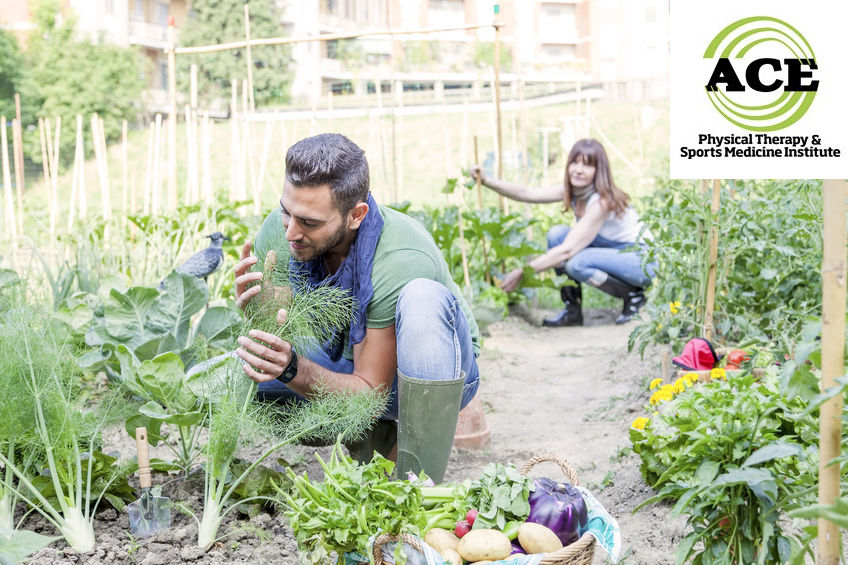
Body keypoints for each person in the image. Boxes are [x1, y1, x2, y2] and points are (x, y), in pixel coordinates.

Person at [232, 133, 480, 482]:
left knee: (423, 298)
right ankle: (376, 439)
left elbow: (370, 394)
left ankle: (417, 485)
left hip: (425, 372)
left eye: (310, 222)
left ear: (356, 215)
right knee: (239, 372)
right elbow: (285, 338)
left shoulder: (401, 258)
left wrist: (292, 370)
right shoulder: (284, 229)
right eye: (287, 212)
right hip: (350, 361)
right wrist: (262, 317)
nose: (290, 232)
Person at [471, 138, 654, 326]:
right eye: (575, 162)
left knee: (577, 263)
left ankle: (633, 295)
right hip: (614, 252)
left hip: (641, 260)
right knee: (556, 235)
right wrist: (487, 181)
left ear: (599, 171)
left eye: (587, 165)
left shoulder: (602, 202)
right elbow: (527, 193)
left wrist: (522, 272)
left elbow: (567, 251)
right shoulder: (574, 191)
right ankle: (572, 311)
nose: (578, 169)